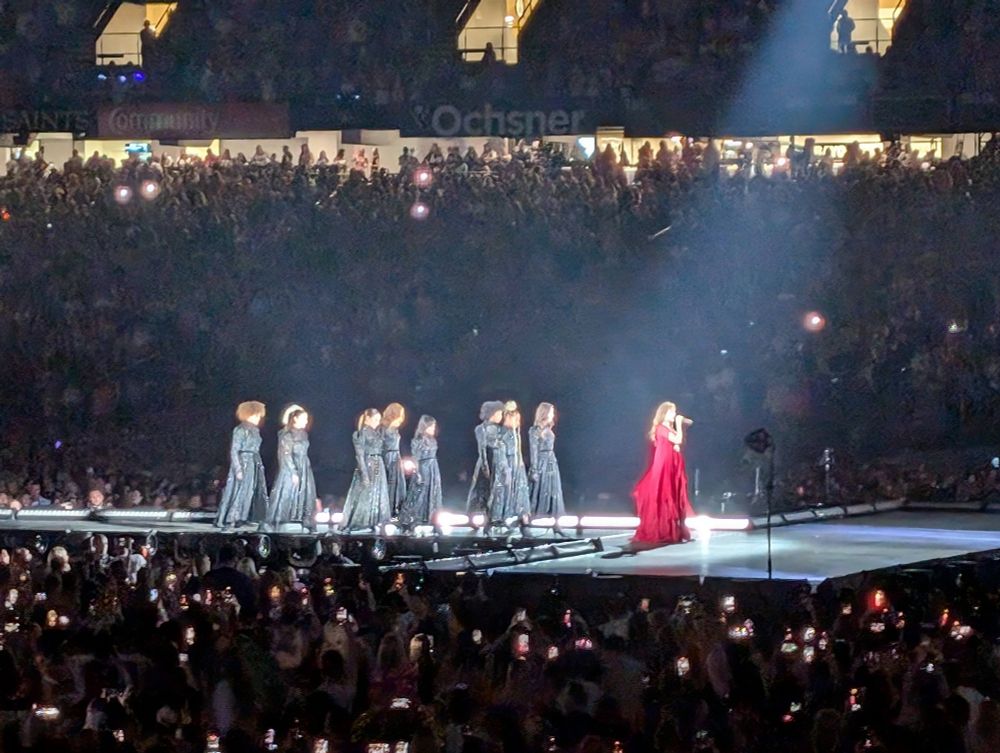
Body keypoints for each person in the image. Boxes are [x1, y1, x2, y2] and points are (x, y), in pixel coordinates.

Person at [631, 401, 694, 546]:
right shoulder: (661, 428)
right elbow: (677, 439)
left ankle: (673, 530)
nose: (674, 414)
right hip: (665, 464)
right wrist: (679, 423)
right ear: (664, 414)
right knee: (664, 494)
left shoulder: (667, 428)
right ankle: (662, 530)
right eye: (672, 412)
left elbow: (677, 442)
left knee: (673, 495)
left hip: (673, 464)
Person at [215, 401, 269, 529]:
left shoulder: (255, 431)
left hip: (253, 462)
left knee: (248, 491)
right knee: (236, 490)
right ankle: (230, 518)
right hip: (242, 461)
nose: (258, 418)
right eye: (256, 415)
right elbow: (234, 450)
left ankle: (243, 517)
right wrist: (238, 468)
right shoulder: (240, 430)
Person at [267, 405, 317, 531]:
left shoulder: (304, 434)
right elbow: (285, 454)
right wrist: (293, 472)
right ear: (295, 419)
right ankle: (284, 519)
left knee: (305, 492)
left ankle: (302, 518)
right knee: (288, 492)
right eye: (303, 419)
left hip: (304, 465)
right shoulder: (286, 434)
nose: (306, 422)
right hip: (290, 467)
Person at [341, 409, 391, 531]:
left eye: (378, 420)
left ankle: (376, 520)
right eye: (374, 419)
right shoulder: (361, 433)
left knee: (377, 491)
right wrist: (364, 474)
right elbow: (359, 455)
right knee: (366, 493)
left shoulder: (377, 433)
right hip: (368, 464)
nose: (377, 422)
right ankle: (362, 522)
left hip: (378, 463)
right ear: (367, 418)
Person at [399, 415, 442, 530]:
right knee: (419, 493)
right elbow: (415, 458)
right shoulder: (418, 440)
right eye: (431, 426)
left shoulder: (432, 440)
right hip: (423, 468)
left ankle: (430, 517)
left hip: (433, 468)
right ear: (425, 426)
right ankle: (411, 519)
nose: (433, 428)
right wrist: (417, 473)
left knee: (433, 492)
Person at [528, 402, 566, 534]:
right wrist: (534, 469)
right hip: (541, 462)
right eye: (551, 412)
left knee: (554, 491)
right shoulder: (535, 430)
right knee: (537, 491)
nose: (553, 414)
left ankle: (556, 524)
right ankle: (527, 522)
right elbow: (533, 451)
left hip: (551, 462)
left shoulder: (549, 429)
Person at [466, 401, 505, 518]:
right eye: (499, 414)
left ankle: (494, 515)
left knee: (496, 489)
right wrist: (485, 466)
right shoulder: (480, 429)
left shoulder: (499, 429)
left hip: (497, 461)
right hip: (487, 461)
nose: (501, 417)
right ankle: (475, 514)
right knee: (481, 489)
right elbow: (481, 448)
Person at [498, 401, 530, 532]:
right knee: (508, 491)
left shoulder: (515, 433)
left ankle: (522, 517)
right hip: (509, 464)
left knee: (520, 491)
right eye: (515, 419)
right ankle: (505, 517)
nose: (517, 422)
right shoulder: (504, 433)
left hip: (517, 465)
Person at [380, 403, 407, 517]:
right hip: (388, 457)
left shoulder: (395, 429)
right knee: (389, 483)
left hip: (396, 457)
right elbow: (382, 444)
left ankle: (396, 510)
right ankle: (387, 510)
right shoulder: (383, 428)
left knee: (398, 485)